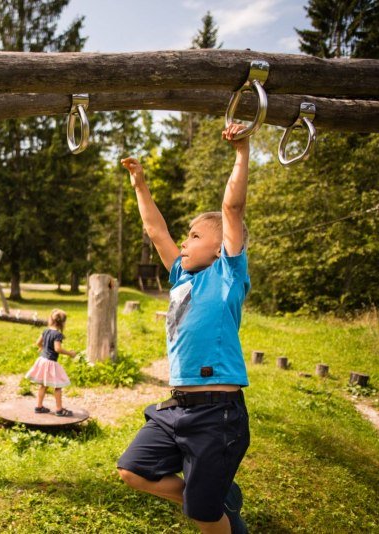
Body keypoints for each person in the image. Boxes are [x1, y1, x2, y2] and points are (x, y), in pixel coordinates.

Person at [116, 122, 252, 534]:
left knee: (201, 515)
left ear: (220, 246)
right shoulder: (181, 277)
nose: (185, 242)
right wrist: (139, 185)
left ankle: (209, 504)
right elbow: (155, 231)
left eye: (194, 236)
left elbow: (232, 209)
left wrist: (242, 153)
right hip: (177, 409)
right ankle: (215, 497)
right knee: (131, 471)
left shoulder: (227, 275)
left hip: (217, 413)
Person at [25, 309, 77, 416]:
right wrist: (70, 353)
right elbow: (57, 349)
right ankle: (59, 410)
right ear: (62, 323)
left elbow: (38, 343)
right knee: (57, 386)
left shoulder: (46, 331)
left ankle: (39, 407)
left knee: (43, 385)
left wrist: (42, 348)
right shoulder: (57, 334)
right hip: (50, 363)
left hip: (42, 360)